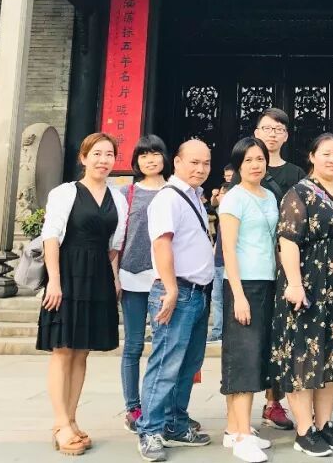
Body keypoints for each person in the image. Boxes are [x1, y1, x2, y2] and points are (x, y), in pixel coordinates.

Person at [271, 133, 333, 458]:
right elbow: (288, 240)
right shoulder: (299, 193)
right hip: (308, 285)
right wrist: (295, 284)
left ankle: (324, 424)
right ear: (312, 157)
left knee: (332, 355)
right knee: (304, 355)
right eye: (326, 153)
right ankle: (304, 429)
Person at [38, 132, 128, 455]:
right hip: (68, 272)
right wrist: (54, 280)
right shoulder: (65, 193)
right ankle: (60, 423)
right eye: (97, 154)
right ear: (83, 157)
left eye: (109, 154)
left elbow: (114, 245)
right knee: (63, 349)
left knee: (82, 352)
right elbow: (51, 237)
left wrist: (114, 278)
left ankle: (73, 418)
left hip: (98, 275)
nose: (103, 160)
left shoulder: (118, 198)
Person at [137, 140, 216, 462]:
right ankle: (150, 430)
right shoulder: (168, 198)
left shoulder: (193, 197)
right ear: (178, 162)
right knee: (166, 364)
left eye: (206, 163)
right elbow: (162, 245)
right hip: (177, 292)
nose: (201, 169)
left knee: (188, 364)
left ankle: (175, 423)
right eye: (194, 162)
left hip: (197, 292)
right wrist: (170, 289)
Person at [219, 138, 281, 463]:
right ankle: (243, 435)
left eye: (260, 159)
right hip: (242, 284)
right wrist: (239, 295)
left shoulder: (269, 195)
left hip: (267, 281)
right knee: (243, 357)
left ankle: (234, 428)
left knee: (255, 354)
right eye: (248, 160)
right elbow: (228, 249)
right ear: (238, 165)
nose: (256, 165)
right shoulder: (233, 198)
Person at [253, 108, 304, 430]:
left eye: (278, 129)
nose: (272, 134)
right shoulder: (245, 167)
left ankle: (274, 401)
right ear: (256, 132)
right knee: (254, 335)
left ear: (286, 135)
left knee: (281, 335)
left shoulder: (296, 173)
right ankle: (244, 405)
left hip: (285, 264)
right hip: (254, 263)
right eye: (266, 128)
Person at [120, 135, 171, 434]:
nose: (150, 160)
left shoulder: (176, 191)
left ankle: (163, 406)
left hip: (166, 279)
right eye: (143, 155)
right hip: (132, 277)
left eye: (155, 154)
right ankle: (133, 407)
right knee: (134, 345)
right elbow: (117, 239)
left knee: (165, 346)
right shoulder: (127, 193)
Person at [208, 183, 230, 343]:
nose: (219, 197)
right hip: (218, 261)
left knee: (222, 298)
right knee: (217, 298)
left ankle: (221, 330)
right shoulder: (221, 212)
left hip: (229, 262)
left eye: (221, 194)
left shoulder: (232, 212)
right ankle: (218, 330)